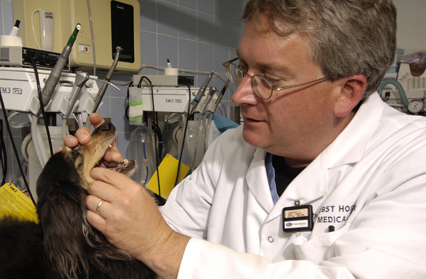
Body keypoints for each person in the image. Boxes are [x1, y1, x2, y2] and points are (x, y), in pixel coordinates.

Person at [65, 0, 426, 278]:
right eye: (243, 68)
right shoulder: (231, 149)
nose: (238, 95)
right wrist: (97, 188)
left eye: (269, 78)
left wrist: (163, 246)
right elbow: (152, 240)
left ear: (346, 91)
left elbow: (162, 244)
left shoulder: (412, 160)